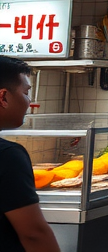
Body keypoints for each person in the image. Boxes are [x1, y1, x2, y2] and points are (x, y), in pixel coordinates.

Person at [0, 56, 60, 252]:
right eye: (26, 93)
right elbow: (34, 234)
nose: (29, 102)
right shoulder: (8, 156)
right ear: (3, 97)